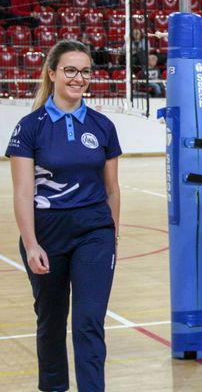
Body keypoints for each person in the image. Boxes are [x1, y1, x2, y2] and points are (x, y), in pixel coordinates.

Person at [5, 40, 122, 392]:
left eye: (85, 71)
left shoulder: (102, 126)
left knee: (89, 322)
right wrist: (31, 244)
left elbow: (112, 190)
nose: (78, 78)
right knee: (52, 321)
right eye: (70, 70)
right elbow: (23, 193)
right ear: (52, 73)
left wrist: (112, 237)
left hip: (94, 233)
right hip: (47, 234)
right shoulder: (30, 127)